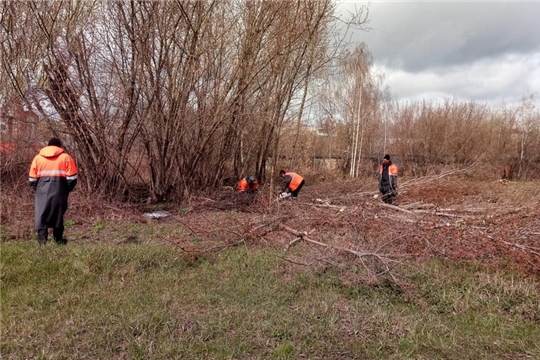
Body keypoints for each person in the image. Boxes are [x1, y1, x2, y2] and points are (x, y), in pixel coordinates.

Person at [29, 138, 78, 245]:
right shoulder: (66, 157)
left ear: (48, 146)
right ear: (60, 147)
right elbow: (72, 178)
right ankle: (58, 240)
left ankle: (42, 241)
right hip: (60, 189)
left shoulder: (37, 158)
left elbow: (32, 179)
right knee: (58, 214)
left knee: (41, 214)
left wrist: (38, 189)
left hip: (41, 189)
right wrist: (66, 189)